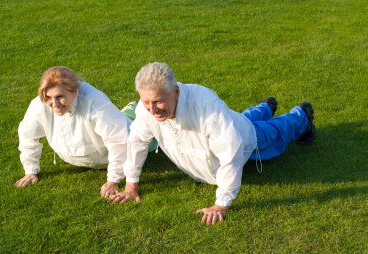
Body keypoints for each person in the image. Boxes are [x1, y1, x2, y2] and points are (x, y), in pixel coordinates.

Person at [108, 62, 316, 225]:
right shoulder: (146, 111)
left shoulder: (206, 106)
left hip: (243, 136)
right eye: (146, 102)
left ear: (176, 92)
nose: (152, 110)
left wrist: (221, 204)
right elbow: (136, 141)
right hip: (231, 120)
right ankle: (265, 107)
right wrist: (131, 184)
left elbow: (231, 151)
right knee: (239, 118)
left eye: (158, 101)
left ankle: (302, 116)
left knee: (274, 133)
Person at [15, 66, 134, 198]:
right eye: (49, 97)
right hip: (83, 154)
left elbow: (118, 140)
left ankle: (134, 109)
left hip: (116, 150)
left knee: (143, 131)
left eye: (59, 97)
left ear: (75, 91)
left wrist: (113, 179)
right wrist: (30, 170)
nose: (54, 104)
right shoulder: (40, 103)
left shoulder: (95, 103)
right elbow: (27, 134)